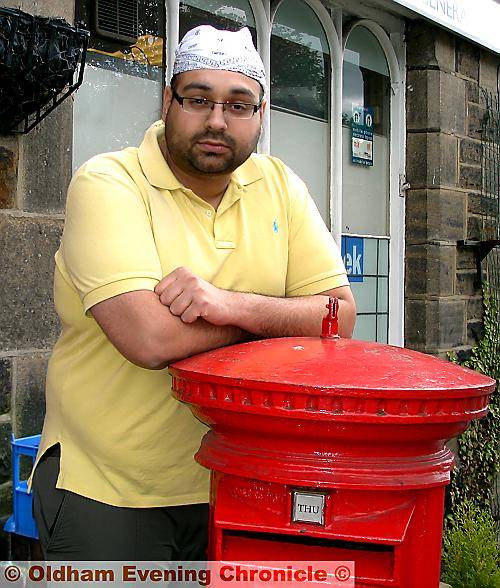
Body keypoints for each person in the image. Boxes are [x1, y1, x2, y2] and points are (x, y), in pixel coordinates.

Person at [31, 25, 356, 560]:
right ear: (167, 101)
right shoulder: (109, 183)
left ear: (261, 114)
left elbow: (339, 317)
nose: (216, 121)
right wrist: (277, 318)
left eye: (238, 104)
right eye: (198, 99)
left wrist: (228, 304)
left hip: (242, 477)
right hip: (112, 489)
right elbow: (149, 339)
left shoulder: (281, 187)